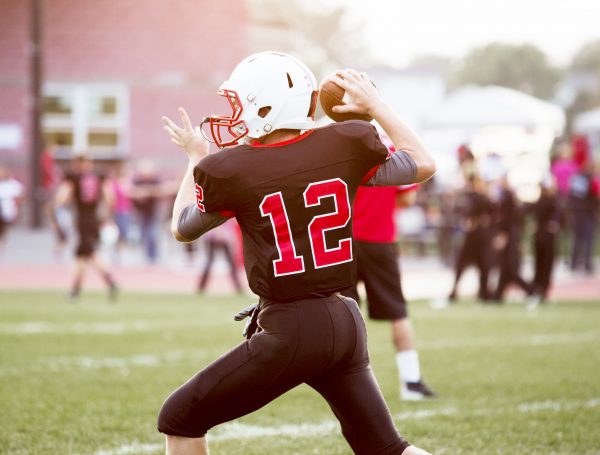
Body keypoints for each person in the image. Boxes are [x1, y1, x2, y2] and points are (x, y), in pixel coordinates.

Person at [158, 52, 436, 455]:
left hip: (293, 326)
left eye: (240, 103)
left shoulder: (231, 169)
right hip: (345, 319)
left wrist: (195, 158)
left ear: (266, 105)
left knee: (180, 418)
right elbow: (423, 163)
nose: (233, 115)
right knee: (385, 448)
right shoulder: (345, 142)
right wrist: (377, 106)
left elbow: (182, 227)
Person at [342, 172, 436, 400]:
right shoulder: (391, 153)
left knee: (342, 315)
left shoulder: (341, 147)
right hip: (379, 240)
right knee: (397, 312)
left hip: (344, 240)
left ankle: (347, 383)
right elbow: (407, 198)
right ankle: (411, 381)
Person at [54, 154, 118, 299]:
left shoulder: (73, 177)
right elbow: (110, 197)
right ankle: (76, 289)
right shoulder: (99, 176)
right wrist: (106, 215)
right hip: (94, 217)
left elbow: (62, 197)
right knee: (82, 254)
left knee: (88, 253)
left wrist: (58, 208)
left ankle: (109, 282)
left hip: (82, 218)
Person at [448, 174, 495, 302]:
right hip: (476, 238)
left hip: (477, 238)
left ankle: (483, 293)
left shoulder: (476, 197)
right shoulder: (476, 197)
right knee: (475, 266)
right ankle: (482, 294)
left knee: (479, 266)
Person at [491, 176, 535, 303]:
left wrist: (503, 235)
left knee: (510, 268)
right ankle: (497, 296)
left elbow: (507, 220)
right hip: (511, 236)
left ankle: (531, 290)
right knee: (505, 267)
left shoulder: (507, 198)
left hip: (510, 236)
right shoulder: (509, 198)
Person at [529, 177, 561, 303]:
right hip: (547, 237)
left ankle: (537, 289)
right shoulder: (552, 201)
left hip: (539, 236)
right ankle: (542, 290)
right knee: (546, 264)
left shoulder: (540, 201)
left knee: (539, 264)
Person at [568, 160, 599, 274]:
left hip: (576, 213)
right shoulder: (591, 180)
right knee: (588, 239)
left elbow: (571, 196)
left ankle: (573, 263)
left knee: (576, 238)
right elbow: (595, 196)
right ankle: (586, 264)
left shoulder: (576, 179)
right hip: (588, 213)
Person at [197, 218, 243, 293]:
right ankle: (238, 288)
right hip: (216, 236)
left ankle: (239, 288)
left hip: (222, 235)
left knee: (230, 263)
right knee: (211, 262)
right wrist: (218, 232)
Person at [130, 159, 163, 264]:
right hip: (139, 211)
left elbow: (161, 191)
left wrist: (148, 191)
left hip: (152, 211)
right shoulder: (137, 180)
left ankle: (153, 255)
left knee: (152, 233)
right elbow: (131, 192)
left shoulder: (155, 180)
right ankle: (145, 254)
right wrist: (139, 194)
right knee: (142, 233)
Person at [0, 165, 25, 250]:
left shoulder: (12, 184)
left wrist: (18, 204)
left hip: (7, 207)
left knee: (4, 226)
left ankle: (2, 241)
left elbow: (21, 194)